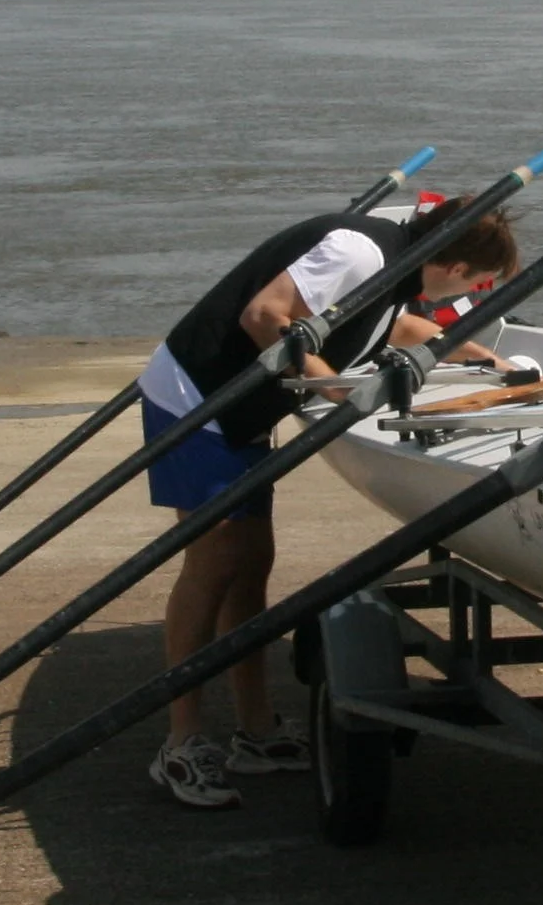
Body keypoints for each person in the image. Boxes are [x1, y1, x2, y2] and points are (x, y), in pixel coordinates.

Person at [138, 200, 521, 810]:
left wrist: (488, 361)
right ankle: (181, 743)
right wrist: (334, 385)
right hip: (199, 399)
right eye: (476, 282)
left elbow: (395, 328)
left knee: (252, 563)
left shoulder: (398, 266)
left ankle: (255, 730)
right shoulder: (359, 251)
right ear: (451, 264)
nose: (472, 292)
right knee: (213, 566)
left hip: (248, 410)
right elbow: (264, 315)